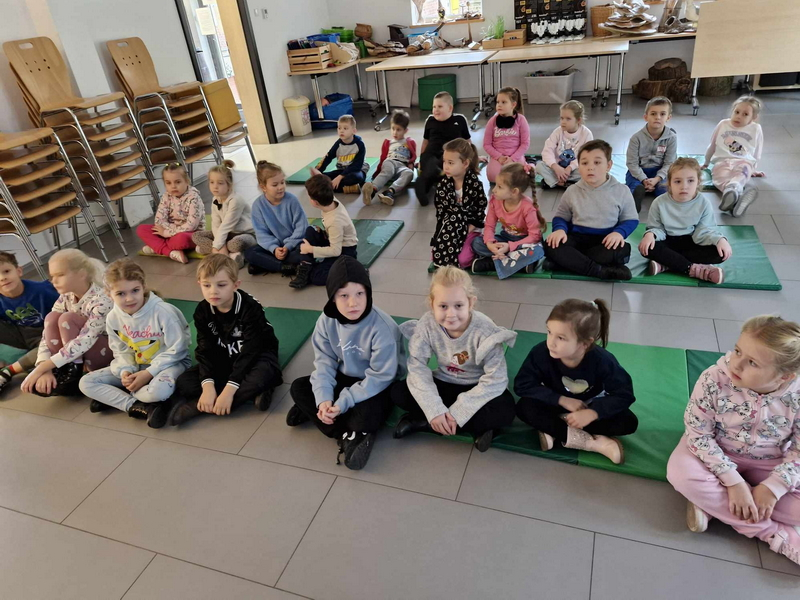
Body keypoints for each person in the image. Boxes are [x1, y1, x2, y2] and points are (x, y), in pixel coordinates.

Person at [667, 316, 800, 568]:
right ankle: (773, 533)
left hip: (770, 461)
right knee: (679, 474)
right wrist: (734, 482)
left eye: (752, 362)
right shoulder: (714, 378)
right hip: (713, 452)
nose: (736, 364)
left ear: (784, 377)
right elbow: (698, 433)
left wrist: (774, 487)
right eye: (738, 351)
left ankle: (712, 505)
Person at [287, 256, 405, 470]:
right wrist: (324, 399)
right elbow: (324, 363)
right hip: (346, 376)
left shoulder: (383, 328)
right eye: (344, 295)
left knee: (367, 416)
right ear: (332, 297)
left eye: (360, 293)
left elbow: (381, 376)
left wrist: (343, 402)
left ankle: (334, 423)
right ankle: (348, 433)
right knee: (298, 388)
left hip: (376, 383)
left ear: (368, 293)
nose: (353, 303)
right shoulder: (325, 321)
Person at [391, 266, 517, 452]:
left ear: (471, 303)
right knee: (398, 392)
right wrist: (434, 408)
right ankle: (465, 426)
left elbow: (496, 379)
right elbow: (417, 367)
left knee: (505, 410)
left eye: (458, 306)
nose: (451, 314)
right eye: (443, 306)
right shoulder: (427, 324)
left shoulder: (485, 330)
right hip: (445, 382)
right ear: (432, 304)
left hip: (476, 386)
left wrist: (459, 412)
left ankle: (424, 423)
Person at [515, 298, 637, 464]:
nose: (551, 342)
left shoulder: (603, 361)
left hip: (589, 405)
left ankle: (554, 429)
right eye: (549, 332)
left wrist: (592, 413)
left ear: (585, 343)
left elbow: (624, 394)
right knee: (524, 407)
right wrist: (562, 400)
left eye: (561, 338)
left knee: (629, 422)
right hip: (556, 403)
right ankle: (593, 443)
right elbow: (522, 384)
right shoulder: (540, 353)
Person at [168, 254, 282, 426]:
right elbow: (205, 350)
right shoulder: (202, 311)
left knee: (262, 375)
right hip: (225, 357)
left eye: (221, 285)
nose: (213, 291)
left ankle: (198, 406)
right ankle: (248, 394)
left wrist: (229, 390)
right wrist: (208, 386)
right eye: (207, 285)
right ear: (199, 284)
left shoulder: (250, 307)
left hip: (257, 356)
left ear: (235, 285)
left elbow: (251, 350)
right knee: (185, 382)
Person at [78, 259, 191, 429]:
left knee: (157, 391)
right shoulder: (113, 317)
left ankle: (119, 397)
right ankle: (136, 405)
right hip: (138, 366)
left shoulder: (163, 312)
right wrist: (126, 371)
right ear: (109, 293)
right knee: (86, 383)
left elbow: (178, 349)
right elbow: (121, 350)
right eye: (121, 294)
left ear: (143, 287)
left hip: (171, 364)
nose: (129, 298)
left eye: (135, 290)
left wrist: (148, 373)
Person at [21, 249, 113, 397]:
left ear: (81, 274)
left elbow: (86, 339)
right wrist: (44, 366)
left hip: (105, 353)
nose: (54, 281)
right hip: (74, 353)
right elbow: (46, 334)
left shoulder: (102, 300)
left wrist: (41, 369)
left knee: (67, 319)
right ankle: (63, 369)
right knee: (52, 317)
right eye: (52, 276)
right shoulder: (65, 297)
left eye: (60, 275)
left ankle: (74, 370)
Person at [544, 140, 639, 281]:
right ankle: (600, 271)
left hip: (605, 240)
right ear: (579, 166)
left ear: (608, 165)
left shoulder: (622, 191)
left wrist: (619, 233)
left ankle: (567, 263)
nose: (590, 168)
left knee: (620, 250)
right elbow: (561, 217)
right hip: (577, 239)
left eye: (597, 162)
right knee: (551, 245)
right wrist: (559, 230)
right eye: (584, 163)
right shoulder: (572, 190)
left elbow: (631, 220)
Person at [639, 157, 732, 284]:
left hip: (692, 241)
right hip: (668, 241)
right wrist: (650, 234)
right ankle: (692, 269)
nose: (684, 186)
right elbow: (656, 228)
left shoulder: (704, 203)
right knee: (647, 247)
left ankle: (669, 263)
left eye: (690, 181)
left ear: (698, 182)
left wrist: (720, 240)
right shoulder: (659, 202)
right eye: (677, 181)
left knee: (720, 253)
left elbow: (705, 230)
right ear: (669, 183)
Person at [471, 162, 546, 275]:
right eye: (496, 185)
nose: (494, 190)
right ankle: (518, 262)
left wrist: (510, 246)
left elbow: (535, 236)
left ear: (514, 191)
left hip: (524, 241)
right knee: (477, 243)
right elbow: (489, 226)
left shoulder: (527, 207)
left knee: (537, 250)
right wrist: (490, 244)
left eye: (499, 187)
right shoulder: (495, 201)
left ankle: (492, 263)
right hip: (505, 238)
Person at [0, 251, 59, 394]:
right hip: (22, 333)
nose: (2, 278)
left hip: (47, 333)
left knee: (56, 343)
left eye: (6, 271)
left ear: (19, 271)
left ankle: (10, 371)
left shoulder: (43, 290)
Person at [290, 175, 358, 289]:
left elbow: (336, 251)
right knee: (311, 230)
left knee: (317, 277)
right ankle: (305, 267)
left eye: (308, 196)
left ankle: (352, 273)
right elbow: (324, 184)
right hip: (333, 239)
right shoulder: (330, 199)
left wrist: (310, 249)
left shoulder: (335, 221)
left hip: (345, 251)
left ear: (315, 202)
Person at [702, 95, 765, 217]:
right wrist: (706, 162)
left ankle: (733, 190)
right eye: (737, 112)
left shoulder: (756, 128)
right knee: (719, 178)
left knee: (741, 175)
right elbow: (712, 145)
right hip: (722, 161)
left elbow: (758, 150)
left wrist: (753, 168)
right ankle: (734, 195)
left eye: (745, 114)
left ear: (754, 118)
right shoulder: (723, 124)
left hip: (744, 161)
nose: (739, 116)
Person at [243, 161, 308, 276]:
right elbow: (261, 233)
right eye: (275, 185)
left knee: (305, 252)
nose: (280, 187)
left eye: (282, 182)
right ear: (263, 187)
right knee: (250, 253)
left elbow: (301, 228)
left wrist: (287, 246)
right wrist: (274, 249)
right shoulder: (258, 205)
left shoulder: (292, 200)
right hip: (274, 248)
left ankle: (267, 264)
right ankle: (283, 267)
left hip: (294, 244)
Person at [430, 139, 487, 268]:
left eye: (450, 163)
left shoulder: (475, 185)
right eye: (444, 161)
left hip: (470, 229)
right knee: (436, 256)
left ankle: (475, 247)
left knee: (462, 260)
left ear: (465, 163)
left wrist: (464, 232)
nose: (446, 166)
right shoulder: (443, 185)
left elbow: (478, 214)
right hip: (451, 227)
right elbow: (441, 212)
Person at [192, 160, 255, 268]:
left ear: (229, 184)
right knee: (196, 236)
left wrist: (217, 246)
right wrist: (220, 246)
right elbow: (216, 224)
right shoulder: (215, 199)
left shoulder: (236, 200)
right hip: (226, 235)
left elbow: (226, 225)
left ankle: (212, 250)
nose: (215, 186)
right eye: (212, 182)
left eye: (220, 183)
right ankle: (230, 254)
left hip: (244, 234)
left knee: (235, 244)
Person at [137, 163, 205, 264]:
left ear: (186, 181)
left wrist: (166, 233)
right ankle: (170, 251)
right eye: (168, 183)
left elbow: (191, 225)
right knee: (141, 229)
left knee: (180, 239)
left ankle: (157, 247)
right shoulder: (166, 196)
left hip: (189, 233)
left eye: (178, 182)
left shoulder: (194, 198)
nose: (173, 186)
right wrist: (166, 231)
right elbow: (159, 221)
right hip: (168, 232)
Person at [414, 91, 471, 206]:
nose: (436, 110)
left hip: (449, 155)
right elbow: (425, 142)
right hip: (431, 154)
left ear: (450, 108)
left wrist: (472, 157)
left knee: (449, 165)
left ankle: (439, 180)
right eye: (434, 107)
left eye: (439, 106)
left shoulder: (459, 120)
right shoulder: (430, 121)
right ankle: (423, 185)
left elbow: (467, 142)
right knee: (430, 165)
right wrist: (420, 159)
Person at [625, 96, 677, 212]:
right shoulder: (636, 138)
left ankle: (663, 201)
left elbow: (670, 163)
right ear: (646, 117)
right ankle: (635, 201)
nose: (657, 117)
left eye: (662, 114)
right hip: (639, 170)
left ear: (668, 117)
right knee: (633, 184)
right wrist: (643, 179)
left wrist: (657, 178)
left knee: (664, 187)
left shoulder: (672, 138)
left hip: (660, 171)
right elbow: (632, 163)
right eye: (653, 114)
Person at [362, 110, 416, 206]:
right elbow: (383, 157)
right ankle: (372, 190)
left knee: (409, 173)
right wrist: (378, 171)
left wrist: (411, 163)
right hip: (390, 162)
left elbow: (413, 155)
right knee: (388, 171)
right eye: (393, 128)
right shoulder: (388, 142)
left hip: (402, 166)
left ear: (405, 130)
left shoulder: (410, 142)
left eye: (398, 130)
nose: (395, 132)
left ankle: (389, 192)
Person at [535, 100, 593, 189]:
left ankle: (554, 181)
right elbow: (547, 150)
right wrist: (555, 167)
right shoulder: (557, 132)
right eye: (562, 118)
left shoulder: (586, 134)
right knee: (539, 166)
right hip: (557, 168)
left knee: (589, 170)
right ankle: (564, 183)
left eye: (568, 119)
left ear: (578, 120)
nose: (563, 122)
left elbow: (586, 157)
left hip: (574, 169)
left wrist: (570, 168)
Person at [483, 86, 530, 184]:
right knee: (493, 177)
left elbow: (525, 143)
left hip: (515, 156)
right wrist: (499, 157)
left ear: (513, 104)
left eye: (503, 102)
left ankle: (528, 164)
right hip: (498, 157)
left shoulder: (521, 120)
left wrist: (513, 158)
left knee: (519, 178)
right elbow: (487, 144)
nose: (499, 105)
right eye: (497, 102)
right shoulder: (492, 121)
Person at [311, 114, 368, 194]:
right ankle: (349, 188)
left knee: (355, 178)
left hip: (357, 171)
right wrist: (318, 171)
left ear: (354, 131)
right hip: (342, 170)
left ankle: (329, 188)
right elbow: (328, 157)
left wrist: (339, 177)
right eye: (339, 128)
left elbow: (357, 166)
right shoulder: (338, 144)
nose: (341, 131)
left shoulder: (360, 145)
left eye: (345, 128)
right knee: (319, 178)